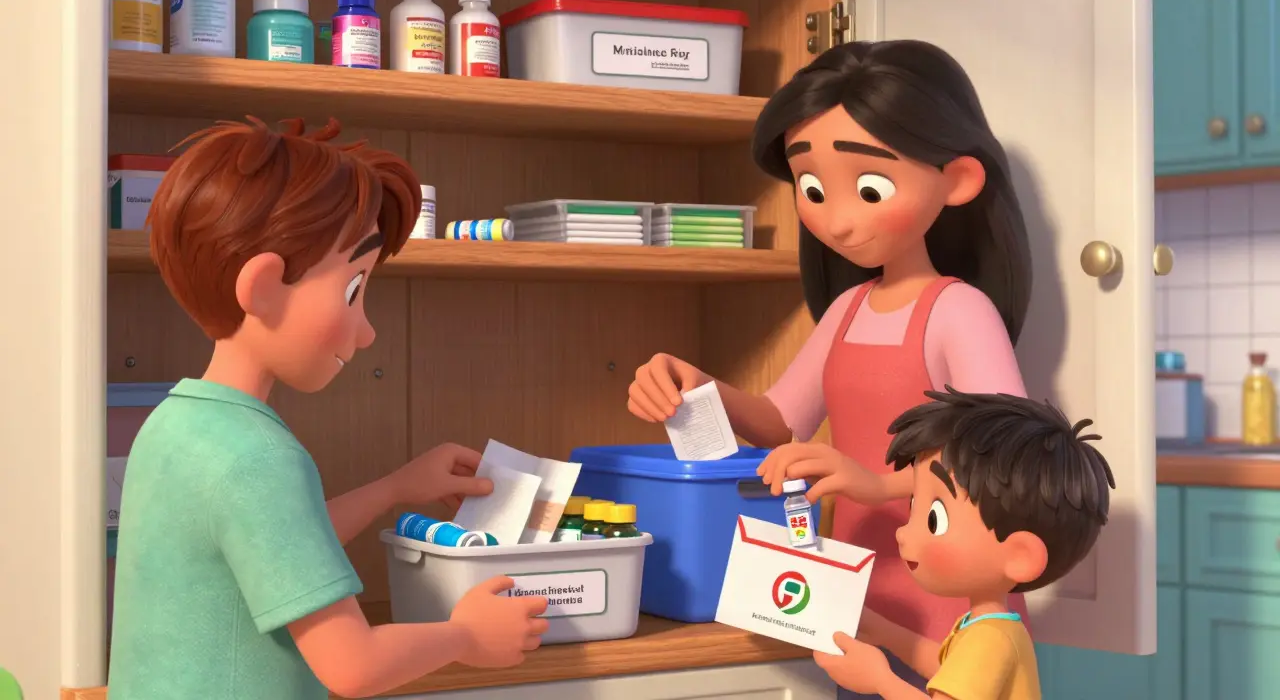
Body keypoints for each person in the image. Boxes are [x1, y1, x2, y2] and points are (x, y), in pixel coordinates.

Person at [628, 40, 1033, 696]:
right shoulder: (847, 310)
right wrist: (697, 385)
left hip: (952, 590)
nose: (837, 219)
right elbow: (778, 423)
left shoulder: (958, 311)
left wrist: (874, 484)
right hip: (855, 590)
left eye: (870, 186)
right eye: (812, 188)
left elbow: (1004, 464)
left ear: (957, 180)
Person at [109, 117, 549, 700]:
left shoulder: (177, 423)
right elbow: (354, 666)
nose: (366, 332)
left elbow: (281, 549)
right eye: (352, 290)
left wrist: (395, 487)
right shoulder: (258, 457)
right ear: (264, 287)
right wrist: (465, 636)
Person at [814, 387, 1115, 700]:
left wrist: (879, 680)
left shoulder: (991, 639)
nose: (904, 533)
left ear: (1019, 556)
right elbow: (949, 668)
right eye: (914, 503)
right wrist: (883, 630)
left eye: (934, 519)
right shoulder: (989, 627)